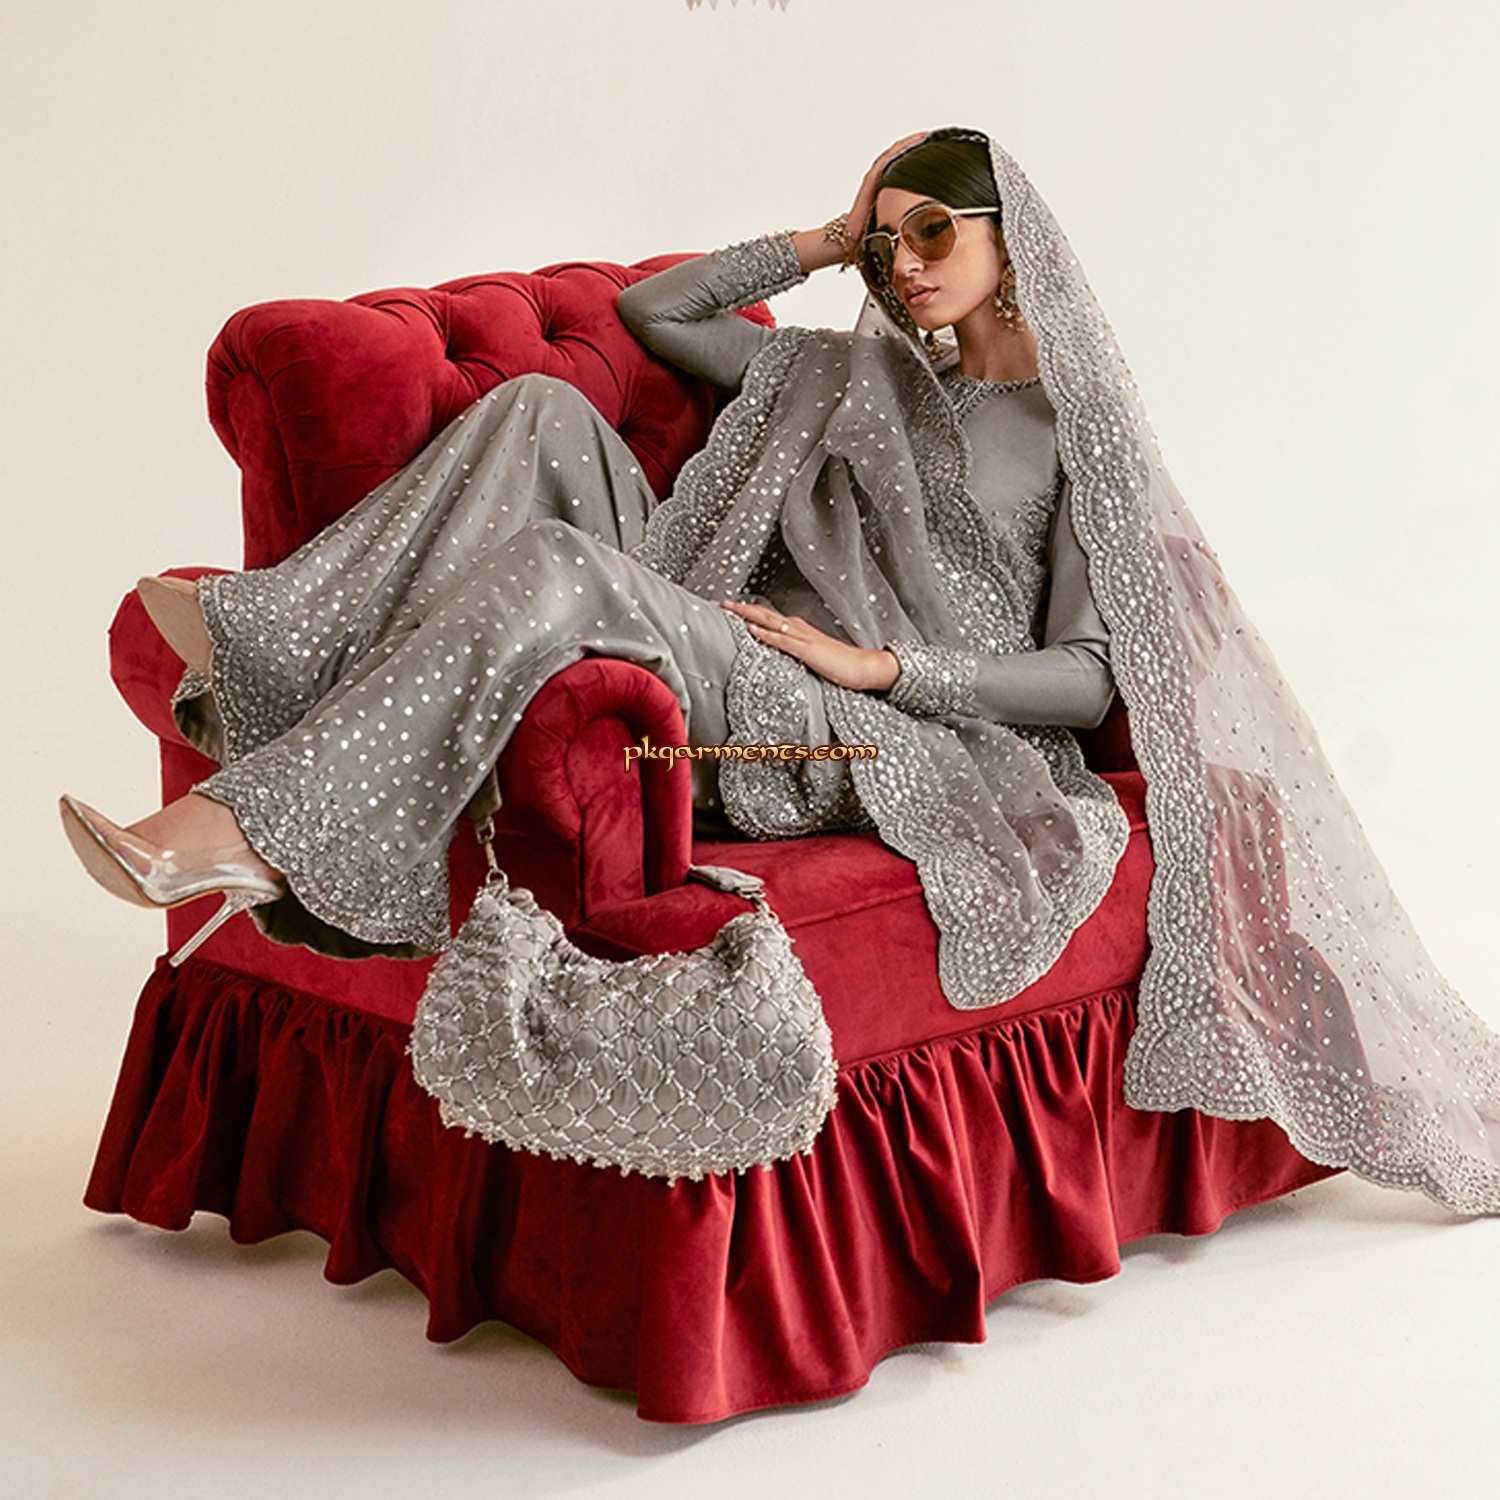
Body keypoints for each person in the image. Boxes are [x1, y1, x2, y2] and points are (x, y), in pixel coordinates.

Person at [61, 129, 1500, 1214]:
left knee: (559, 565)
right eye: (887, 245)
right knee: (542, 406)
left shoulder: (1073, 434)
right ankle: (281, 645)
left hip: (872, 727)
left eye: (934, 231)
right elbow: (657, 317)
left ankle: (245, 823)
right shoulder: (842, 372)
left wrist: (882, 666)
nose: (907, 264)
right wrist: (821, 240)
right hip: (735, 635)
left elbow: (1079, 681)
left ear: (1014, 241)